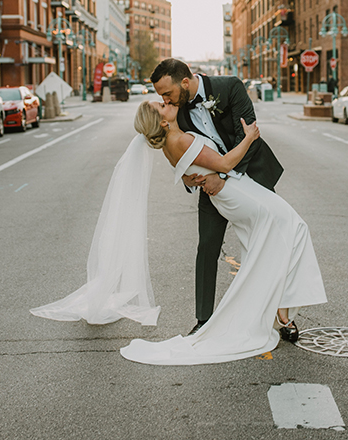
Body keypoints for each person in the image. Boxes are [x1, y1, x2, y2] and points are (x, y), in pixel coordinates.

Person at [31, 101, 326, 365]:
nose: (166, 103)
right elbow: (224, 163)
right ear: (161, 121)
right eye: (161, 106)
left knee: (264, 244)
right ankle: (277, 309)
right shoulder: (180, 139)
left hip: (230, 193)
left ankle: (280, 309)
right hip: (236, 191)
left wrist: (197, 176)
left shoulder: (170, 144)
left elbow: (187, 173)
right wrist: (249, 137)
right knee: (294, 227)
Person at [150, 58, 283, 336]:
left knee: (269, 244)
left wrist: (221, 178)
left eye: (167, 93)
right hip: (210, 190)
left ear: (184, 82)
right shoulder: (178, 111)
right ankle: (203, 321)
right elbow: (178, 152)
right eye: (161, 96)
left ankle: (283, 317)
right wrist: (190, 178)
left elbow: (246, 136)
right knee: (207, 248)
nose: (165, 99)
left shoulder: (230, 87)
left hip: (251, 177)